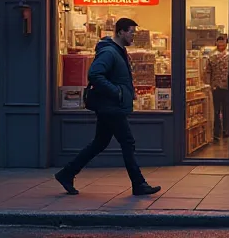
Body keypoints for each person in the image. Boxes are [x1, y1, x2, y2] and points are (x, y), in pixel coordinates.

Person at [55, 18, 161, 196]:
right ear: (120, 32)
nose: (133, 35)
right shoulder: (109, 52)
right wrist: (117, 92)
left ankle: (67, 173)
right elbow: (95, 74)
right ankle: (139, 184)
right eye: (131, 32)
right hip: (111, 106)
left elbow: (118, 77)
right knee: (127, 142)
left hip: (111, 106)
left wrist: (128, 91)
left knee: (100, 142)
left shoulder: (119, 51)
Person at [205, 35, 229, 141]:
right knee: (216, 110)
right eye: (219, 42)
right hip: (215, 86)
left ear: (226, 43)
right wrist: (208, 84)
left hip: (227, 85)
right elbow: (208, 71)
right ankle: (217, 131)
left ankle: (226, 130)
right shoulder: (211, 55)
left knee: (226, 109)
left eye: (223, 42)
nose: (221, 44)